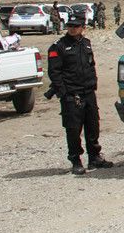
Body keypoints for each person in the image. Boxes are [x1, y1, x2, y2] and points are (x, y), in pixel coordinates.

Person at [43, 14, 113, 175]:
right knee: (73, 129)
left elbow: (91, 65)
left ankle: (94, 157)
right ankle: (76, 160)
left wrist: (93, 83)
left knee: (93, 125)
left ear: (83, 27)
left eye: (76, 26)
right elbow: (54, 72)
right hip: (71, 94)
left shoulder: (86, 43)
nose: (72, 29)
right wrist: (63, 93)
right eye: (70, 26)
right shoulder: (59, 46)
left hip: (88, 92)